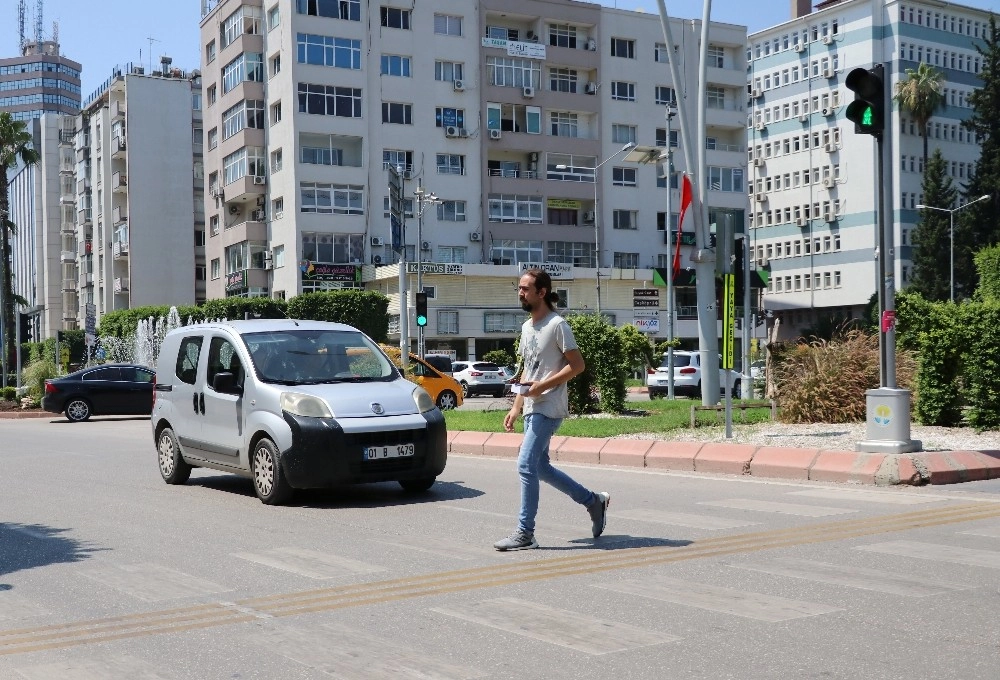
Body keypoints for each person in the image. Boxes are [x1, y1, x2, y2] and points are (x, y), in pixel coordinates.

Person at [494, 269, 611, 551]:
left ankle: (525, 533)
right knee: (540, 467)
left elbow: (577, 365)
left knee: (525, 465)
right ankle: (593, 501)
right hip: (531, 406)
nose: (520, 293)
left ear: (542, 292)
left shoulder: (557, 325)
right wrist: (517, 406)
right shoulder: (526, 328)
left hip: (550, 407)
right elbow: (528, 371)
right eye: (519, 288)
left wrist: (543, 387)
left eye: (525, 288)